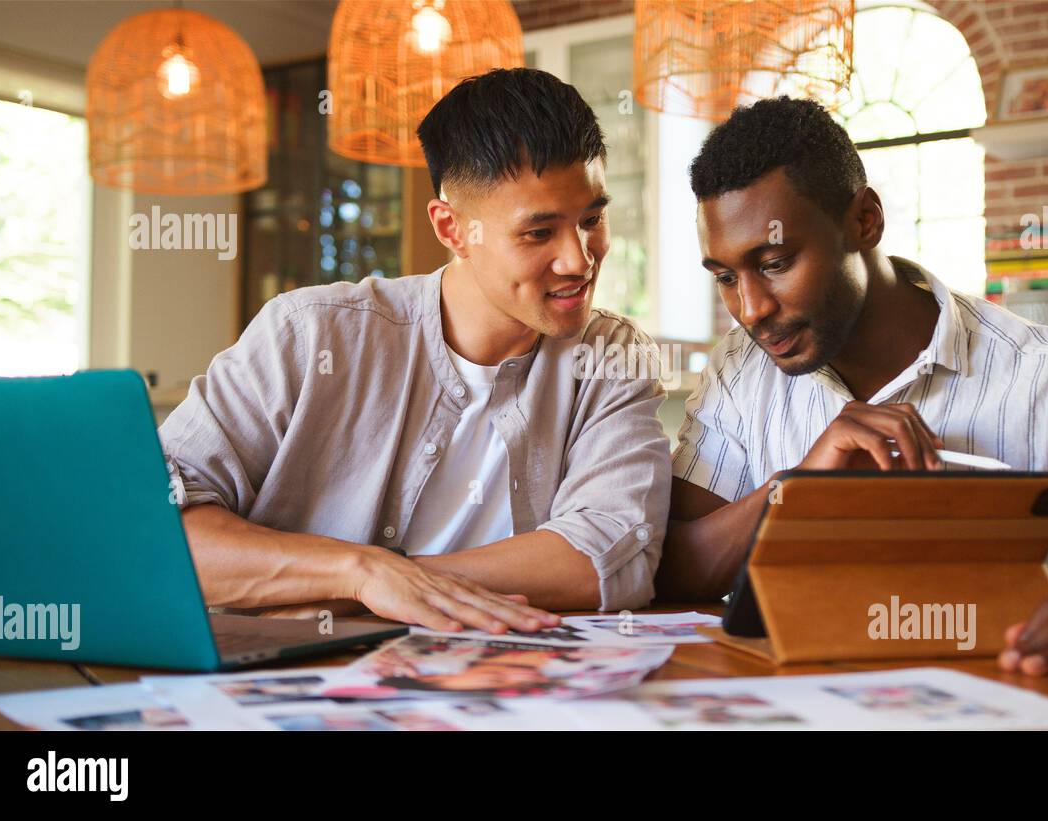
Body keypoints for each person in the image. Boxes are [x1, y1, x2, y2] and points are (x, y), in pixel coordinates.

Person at [659, 96, 1048, 678]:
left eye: (775, 262)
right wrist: (798, 491)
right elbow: (672, 568)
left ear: (865, 221)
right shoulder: (741, 372)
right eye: (726, 277)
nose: (750, 309)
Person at [160, 68, 671, 634]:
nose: (579, 260)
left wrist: (382, 585)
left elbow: (611, 558)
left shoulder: (611, 356)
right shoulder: (309, 335)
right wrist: (359, 571)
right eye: (538, 233)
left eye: (592, 220)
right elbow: (153, 535)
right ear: (452, 228)